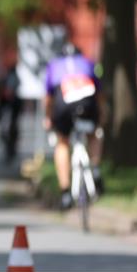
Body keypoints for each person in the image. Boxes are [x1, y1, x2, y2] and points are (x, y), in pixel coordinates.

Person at [44, 43, 104, 209]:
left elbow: (48, 98)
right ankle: (96, 169)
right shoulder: (88, 62)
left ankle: (65, 192)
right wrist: (101, 117)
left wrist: (48, 118)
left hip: (63, 105)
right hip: (88, 103)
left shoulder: (54, 66)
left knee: (62, 142)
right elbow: (99, 94)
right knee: (94, 133)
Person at [0, 61, 22, 162]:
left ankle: (11, 149)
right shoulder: (8, 79)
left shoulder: (13, 79)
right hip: (7, 108)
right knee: (7, 130)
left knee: (9, 129)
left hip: (12, 108)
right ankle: (10, 148)